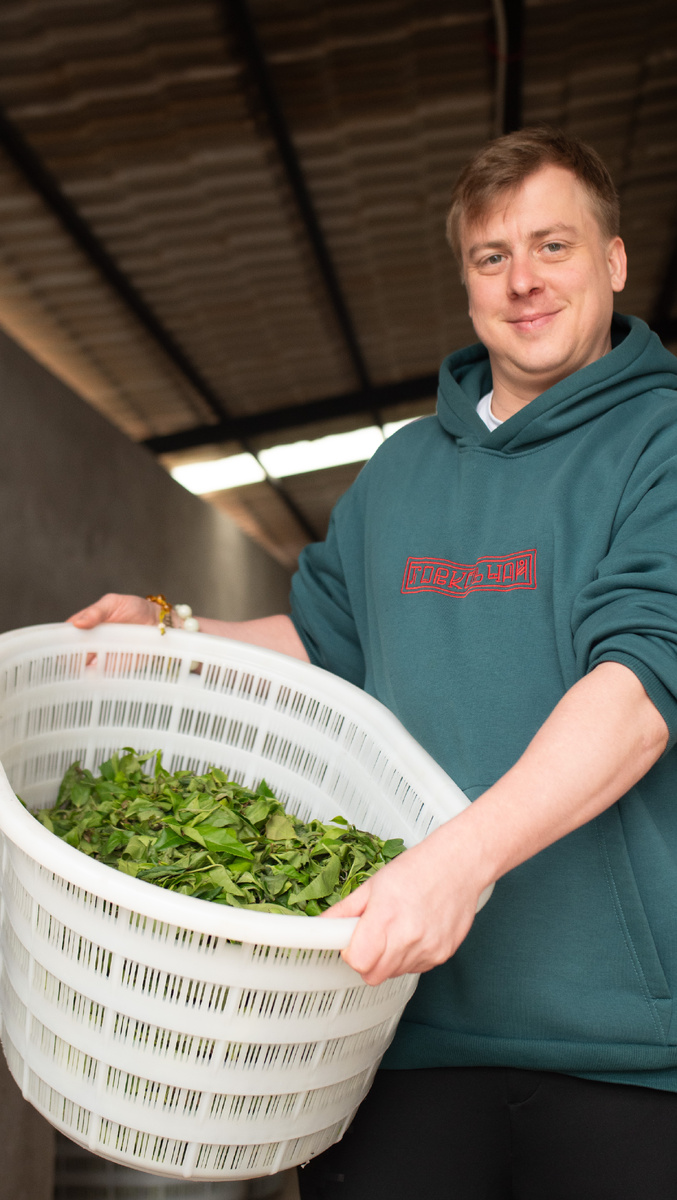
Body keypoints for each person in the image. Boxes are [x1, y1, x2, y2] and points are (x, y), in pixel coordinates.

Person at [70, 128, 677, 1198]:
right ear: (464, 280)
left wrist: (456, 864)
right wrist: (166, 635)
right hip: (386, 1026)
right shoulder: (400, 468)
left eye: (552, 245)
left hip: (624, 1056)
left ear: (614, 261)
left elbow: (637, 695)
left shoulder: (660, 443)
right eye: (492, 257)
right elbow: (324, 642)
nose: (523, 280)